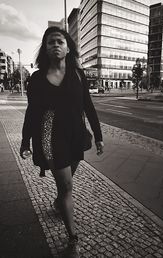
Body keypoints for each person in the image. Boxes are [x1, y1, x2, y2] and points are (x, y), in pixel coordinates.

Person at [20, 26, 104, 258]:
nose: (55, 45)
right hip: (50, 136)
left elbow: (88, 106)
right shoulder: (37, 79)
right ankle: (72, 237)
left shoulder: (78, 74)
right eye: (50, 42)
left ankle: (58, 203)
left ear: (68, 48)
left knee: (69, 175)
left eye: (60, 41)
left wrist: (98, 135)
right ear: (45, 49)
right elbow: (32, 112)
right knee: (66, 186)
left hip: (76, 135)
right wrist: (25, 140)